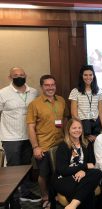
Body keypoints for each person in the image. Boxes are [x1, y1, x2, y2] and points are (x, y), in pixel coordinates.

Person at [27, 74, 69, 209]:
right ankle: (45, 197)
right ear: (42, 87)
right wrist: (35, 147)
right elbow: (31, 127)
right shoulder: (34, 104)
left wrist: (68, 138)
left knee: (60, 172)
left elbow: (65, 119)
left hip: (61, 143)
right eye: (47, 85)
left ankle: (57, 195)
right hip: (44, 146)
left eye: (53, 85)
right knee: (44, 174)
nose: (50, 88)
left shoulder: (61, 100)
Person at [0, 67, 40, 208]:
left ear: (26, 76)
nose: (19, 77)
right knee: (12, 169)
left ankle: (26, 192)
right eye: (16, 75)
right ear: (10, 77)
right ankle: (13, 198)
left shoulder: (34, 92)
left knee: (26, 166)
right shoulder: (3, 93)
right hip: (10, 137)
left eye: (22, 75)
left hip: (28, 137)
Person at [54, 118, 102, 209]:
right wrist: (83, 166)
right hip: (64, 178)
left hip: (81, 176)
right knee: (88, 191)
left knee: (98, 173)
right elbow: (62, 170)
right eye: (74, 128)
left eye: (79, 128)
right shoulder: (63, 146)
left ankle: (73, 205)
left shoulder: (86, 144)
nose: (77, 130)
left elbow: (92, 164)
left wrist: (83, 171)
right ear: (68, 130)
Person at [69, 65, 102, 143]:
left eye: (90, 75)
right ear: (81, 76)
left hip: (96, 124)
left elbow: (101, 111)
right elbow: (74, 114)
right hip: (82, 124)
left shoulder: (99, 91)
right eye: (85, 75)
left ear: (93, 76)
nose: (88, 77)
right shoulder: (75, 91)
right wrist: (82, 130)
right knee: (86, 148)